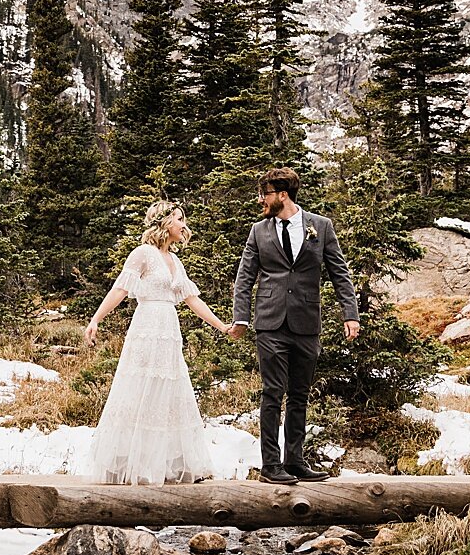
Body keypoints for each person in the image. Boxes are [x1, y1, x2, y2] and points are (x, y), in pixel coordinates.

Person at [84, 201, 232, 485]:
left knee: (168, 392)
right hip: (147, 326)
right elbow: (120, 288)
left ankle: (164, 465)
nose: (183, 225)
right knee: (141, 389)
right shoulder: (143, 254)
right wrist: (96, 319)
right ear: (163, 223)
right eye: (179, 219)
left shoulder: (175, 261)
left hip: (168, 328)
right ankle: (131, 463)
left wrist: (221, 326)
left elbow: (192, 299)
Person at [229, 167, 360, 485]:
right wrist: (241, 317)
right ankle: (271, 465)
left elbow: (339, 273)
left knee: (300, 394)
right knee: (273, 392)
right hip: (270, 323)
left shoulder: (321, 227)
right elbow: (245, 277)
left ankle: (296, 461)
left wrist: (350, 314)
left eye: (265, 193)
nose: (261, 200)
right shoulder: (258, 231)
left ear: (282, 195)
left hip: (306, 323)